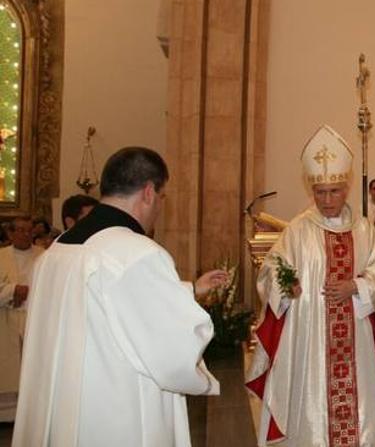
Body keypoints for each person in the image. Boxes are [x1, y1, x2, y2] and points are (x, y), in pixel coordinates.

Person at [13, 147, 228, 447]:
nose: (160, 206)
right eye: (163, 196)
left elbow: (102, 305)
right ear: (149, 192)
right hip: (117, 416)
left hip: (61, 413)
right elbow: (170, 348)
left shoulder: (57, 250)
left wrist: (188, 290)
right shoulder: (138, 253)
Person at [246, 125, 375, 447]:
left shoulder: (364, 229)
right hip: (311, 336)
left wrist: (356, 285)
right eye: (320, 192)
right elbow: (272, 267)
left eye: (333, 192)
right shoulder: (298, 229)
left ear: (346, 188)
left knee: (360, 397)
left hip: (354, 332)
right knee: (313, 397)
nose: (326, 200)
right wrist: (287, 286)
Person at [0, 217, 44, 422]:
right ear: (9, 233)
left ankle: (30, 415)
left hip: (34, 320)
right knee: (8, 368)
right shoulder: (1, 256)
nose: (25, 234)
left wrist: (27, 292)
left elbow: (51, 287)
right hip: (6, 320)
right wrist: (12, 291)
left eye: (28, 230)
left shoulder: (44, 256)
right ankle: (7, 416)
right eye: (19, 230)